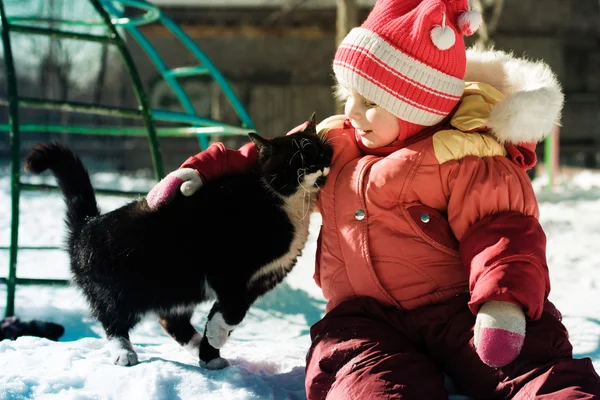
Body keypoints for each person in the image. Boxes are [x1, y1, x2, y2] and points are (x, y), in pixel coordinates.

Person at [147, 0, 600, 398]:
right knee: (357, 377)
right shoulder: (332, 142)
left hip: (462, 308)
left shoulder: (464, 154)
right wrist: (201, 172)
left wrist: (502, 304)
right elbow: (257, 161)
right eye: (349, 95)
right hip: (364, 320)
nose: (351, 112)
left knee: (531, 367)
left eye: (371, 103)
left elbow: (502, 231)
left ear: (418, 107)